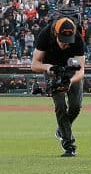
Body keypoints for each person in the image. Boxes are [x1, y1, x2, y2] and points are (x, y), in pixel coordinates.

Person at [31, 16, 86, 157]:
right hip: (53, 71)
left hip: (71, 72)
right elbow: (34, 64)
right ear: (56, 34)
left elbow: (81, 70)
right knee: (60, 106)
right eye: (62, 40)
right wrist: (48, 67)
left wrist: (70, 82)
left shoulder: (78, 39)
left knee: (76, 106)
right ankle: (69, 144)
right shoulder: (45, 35)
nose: (65, 44)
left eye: (68, 41)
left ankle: (61, 130)